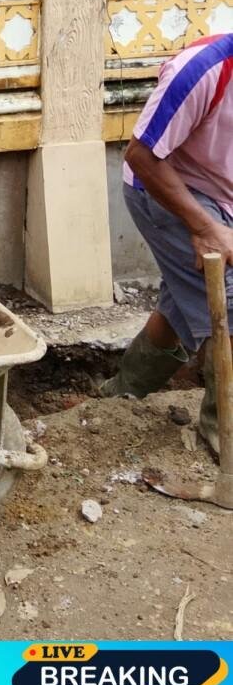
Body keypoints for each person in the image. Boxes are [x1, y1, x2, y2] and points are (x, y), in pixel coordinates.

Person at [101, 31, 233, 456]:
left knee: (181, 304)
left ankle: (121, 396)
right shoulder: (202, 69)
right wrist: (203, 228)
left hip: (222, 194)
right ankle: (222, 438)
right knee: (229, 301)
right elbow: (141, 156)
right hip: (164, 188)